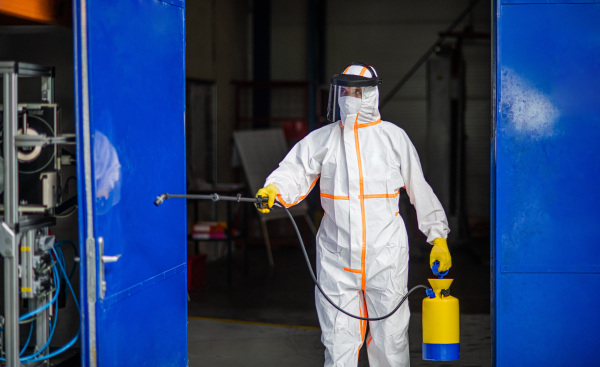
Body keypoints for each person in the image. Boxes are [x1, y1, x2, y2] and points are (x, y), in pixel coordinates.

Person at [255, 62, 451, 367]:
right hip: (336, 259)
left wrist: (437, 237)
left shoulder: (393, 139)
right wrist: (273, 190)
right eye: (344, 91)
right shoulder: (323, 139)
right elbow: (294, 170)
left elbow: (419, 189)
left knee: (391, 342)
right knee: (338, 342)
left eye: (357, 91)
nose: (349, 97)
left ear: (371, 94)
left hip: (385, 258)